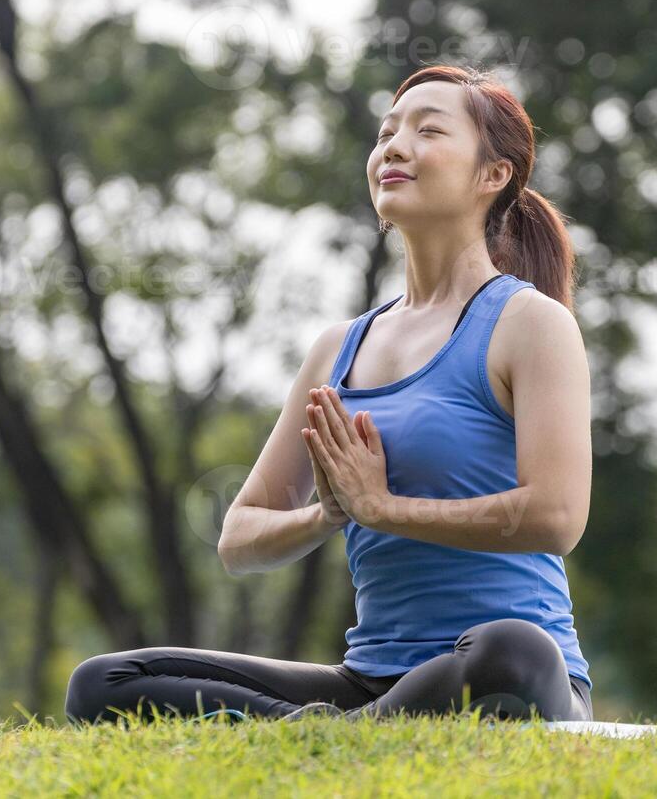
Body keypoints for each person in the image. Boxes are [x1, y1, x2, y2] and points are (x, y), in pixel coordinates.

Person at [64, 63, 594, 725]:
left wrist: (385, 507)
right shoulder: (338, 347)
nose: (394, 148)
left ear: (493, 175)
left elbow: (557, 517)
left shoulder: (529, 324)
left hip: (505, 678)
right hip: (371, 680)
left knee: (513, 654)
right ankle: (338, 731)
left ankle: (316, 735)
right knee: (108, 681)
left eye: (428, 131)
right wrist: (330, 514)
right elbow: (240, 535)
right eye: (386, 133)